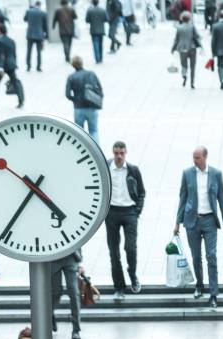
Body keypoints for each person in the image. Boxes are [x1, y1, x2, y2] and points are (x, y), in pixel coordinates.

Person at [173, 146, 223, 308]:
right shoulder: (187, 174)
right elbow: (182, 198)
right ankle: (199, 285)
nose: (195, 160)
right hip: (192, 221)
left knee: (211, 256)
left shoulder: (216, 174)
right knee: (196, 257)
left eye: (197, 157)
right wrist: (177, 222)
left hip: (209, 221)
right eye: (193, 157)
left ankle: (213, 294)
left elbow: (222, 198)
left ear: (205, 157)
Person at [105, 140, 146, 299]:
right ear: (113, 153)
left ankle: (133, 275)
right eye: (116, 153)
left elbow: (142, 191)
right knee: (113, 252)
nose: (119, 156)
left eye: (122, 153)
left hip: (130, 212)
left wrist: (137, 210)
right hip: (112, 212)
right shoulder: (107, 167)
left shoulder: (133, 170)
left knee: (131, 248)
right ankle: (119, 287)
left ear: (126, 152)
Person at [65, 55, 102, 143]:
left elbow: (67, 94)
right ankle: (96, 150)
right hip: (91, 106)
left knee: (79, 132)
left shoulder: (71, 77)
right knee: (94, 131)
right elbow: (99, 89)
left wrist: (74, 100)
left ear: (73, 65)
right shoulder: (91, 74)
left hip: (78, 107)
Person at [0, 24, 23, 108]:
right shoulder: (11, 40)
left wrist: (0, 67)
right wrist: (14, 63)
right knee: (15, 83)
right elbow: (14, 54)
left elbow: (1, 55)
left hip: (3, 66)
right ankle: (21, 101)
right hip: (11, 65)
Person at [51, 250, 84, 339]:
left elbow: (78, 238)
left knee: (74, 293)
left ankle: (76, 329)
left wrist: (80, 263)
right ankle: (50, 313)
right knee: (56, 292)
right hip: (54, 258)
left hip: (71, 257)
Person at [171, 11, 200, 88]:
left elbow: (176, 39)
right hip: (192, 48)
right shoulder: (192, 27)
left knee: (184, 65)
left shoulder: (179, 28)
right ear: (189, 19)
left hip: (182, 49)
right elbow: (197, 36)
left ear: (182, 19)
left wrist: (173, 48)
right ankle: (192, 83)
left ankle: (184, 75)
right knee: (193, 66)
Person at [24, 1, 49, 71]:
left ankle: (28, 66)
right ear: (40, 5)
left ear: (35, 5)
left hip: (30, 34)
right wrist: (46, 35)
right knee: (39, 52)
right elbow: (45, 26)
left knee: (29, 51)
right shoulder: (43, 13)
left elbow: (25, 19)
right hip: (39, 35)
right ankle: (38, 67)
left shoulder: (29, 11)